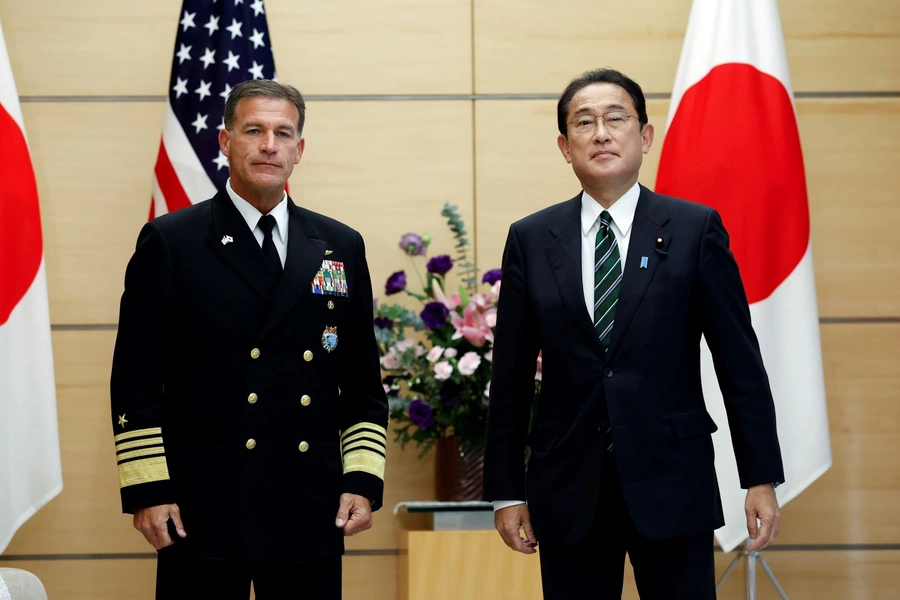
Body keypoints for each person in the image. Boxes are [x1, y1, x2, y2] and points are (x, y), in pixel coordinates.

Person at [483, 68, 784, 599]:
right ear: (564, 145)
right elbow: (507, 378)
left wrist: (759, 476)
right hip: (569, 487)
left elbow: (740, 363)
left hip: (673, 481)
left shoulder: (694, 229)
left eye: (615, 118)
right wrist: (506, 491)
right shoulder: (531, 239)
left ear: (644, 136)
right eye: (584, 122)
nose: (601, 133)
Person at [110, 80, 388, 599]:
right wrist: (149, 489)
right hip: (202, 508)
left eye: (284, 133)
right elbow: (135, 382)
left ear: (299, 150)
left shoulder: (339, 245)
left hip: (310, 505)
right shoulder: (172, 241)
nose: (269, 145)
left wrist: (362, 482)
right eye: (254, 130)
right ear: (224, 140)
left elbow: (362, 385)